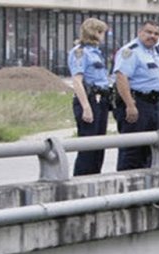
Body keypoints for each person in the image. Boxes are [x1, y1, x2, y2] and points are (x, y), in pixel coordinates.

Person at [112, 20, 159, 170]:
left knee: (148, 149)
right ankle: (127, 186)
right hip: (137, 104)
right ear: (139, 33)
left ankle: (143, 186)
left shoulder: (153, 52)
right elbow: (121, 77)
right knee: (132, 150)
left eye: (156, 34)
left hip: (153, 105)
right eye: (148, 32)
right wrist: (130, 105)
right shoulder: (131, 51)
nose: (152, 36)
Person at [67, 18, 111, 176]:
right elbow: (77, 81)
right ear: (96, 32)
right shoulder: (80, 52)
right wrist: (86, 107)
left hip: (101, 100)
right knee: (88, 147)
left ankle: (94, 178)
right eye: (102, 32)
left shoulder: (96, 52)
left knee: (98, 147)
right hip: (90, 100)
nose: (104, 36)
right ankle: (82, 180)